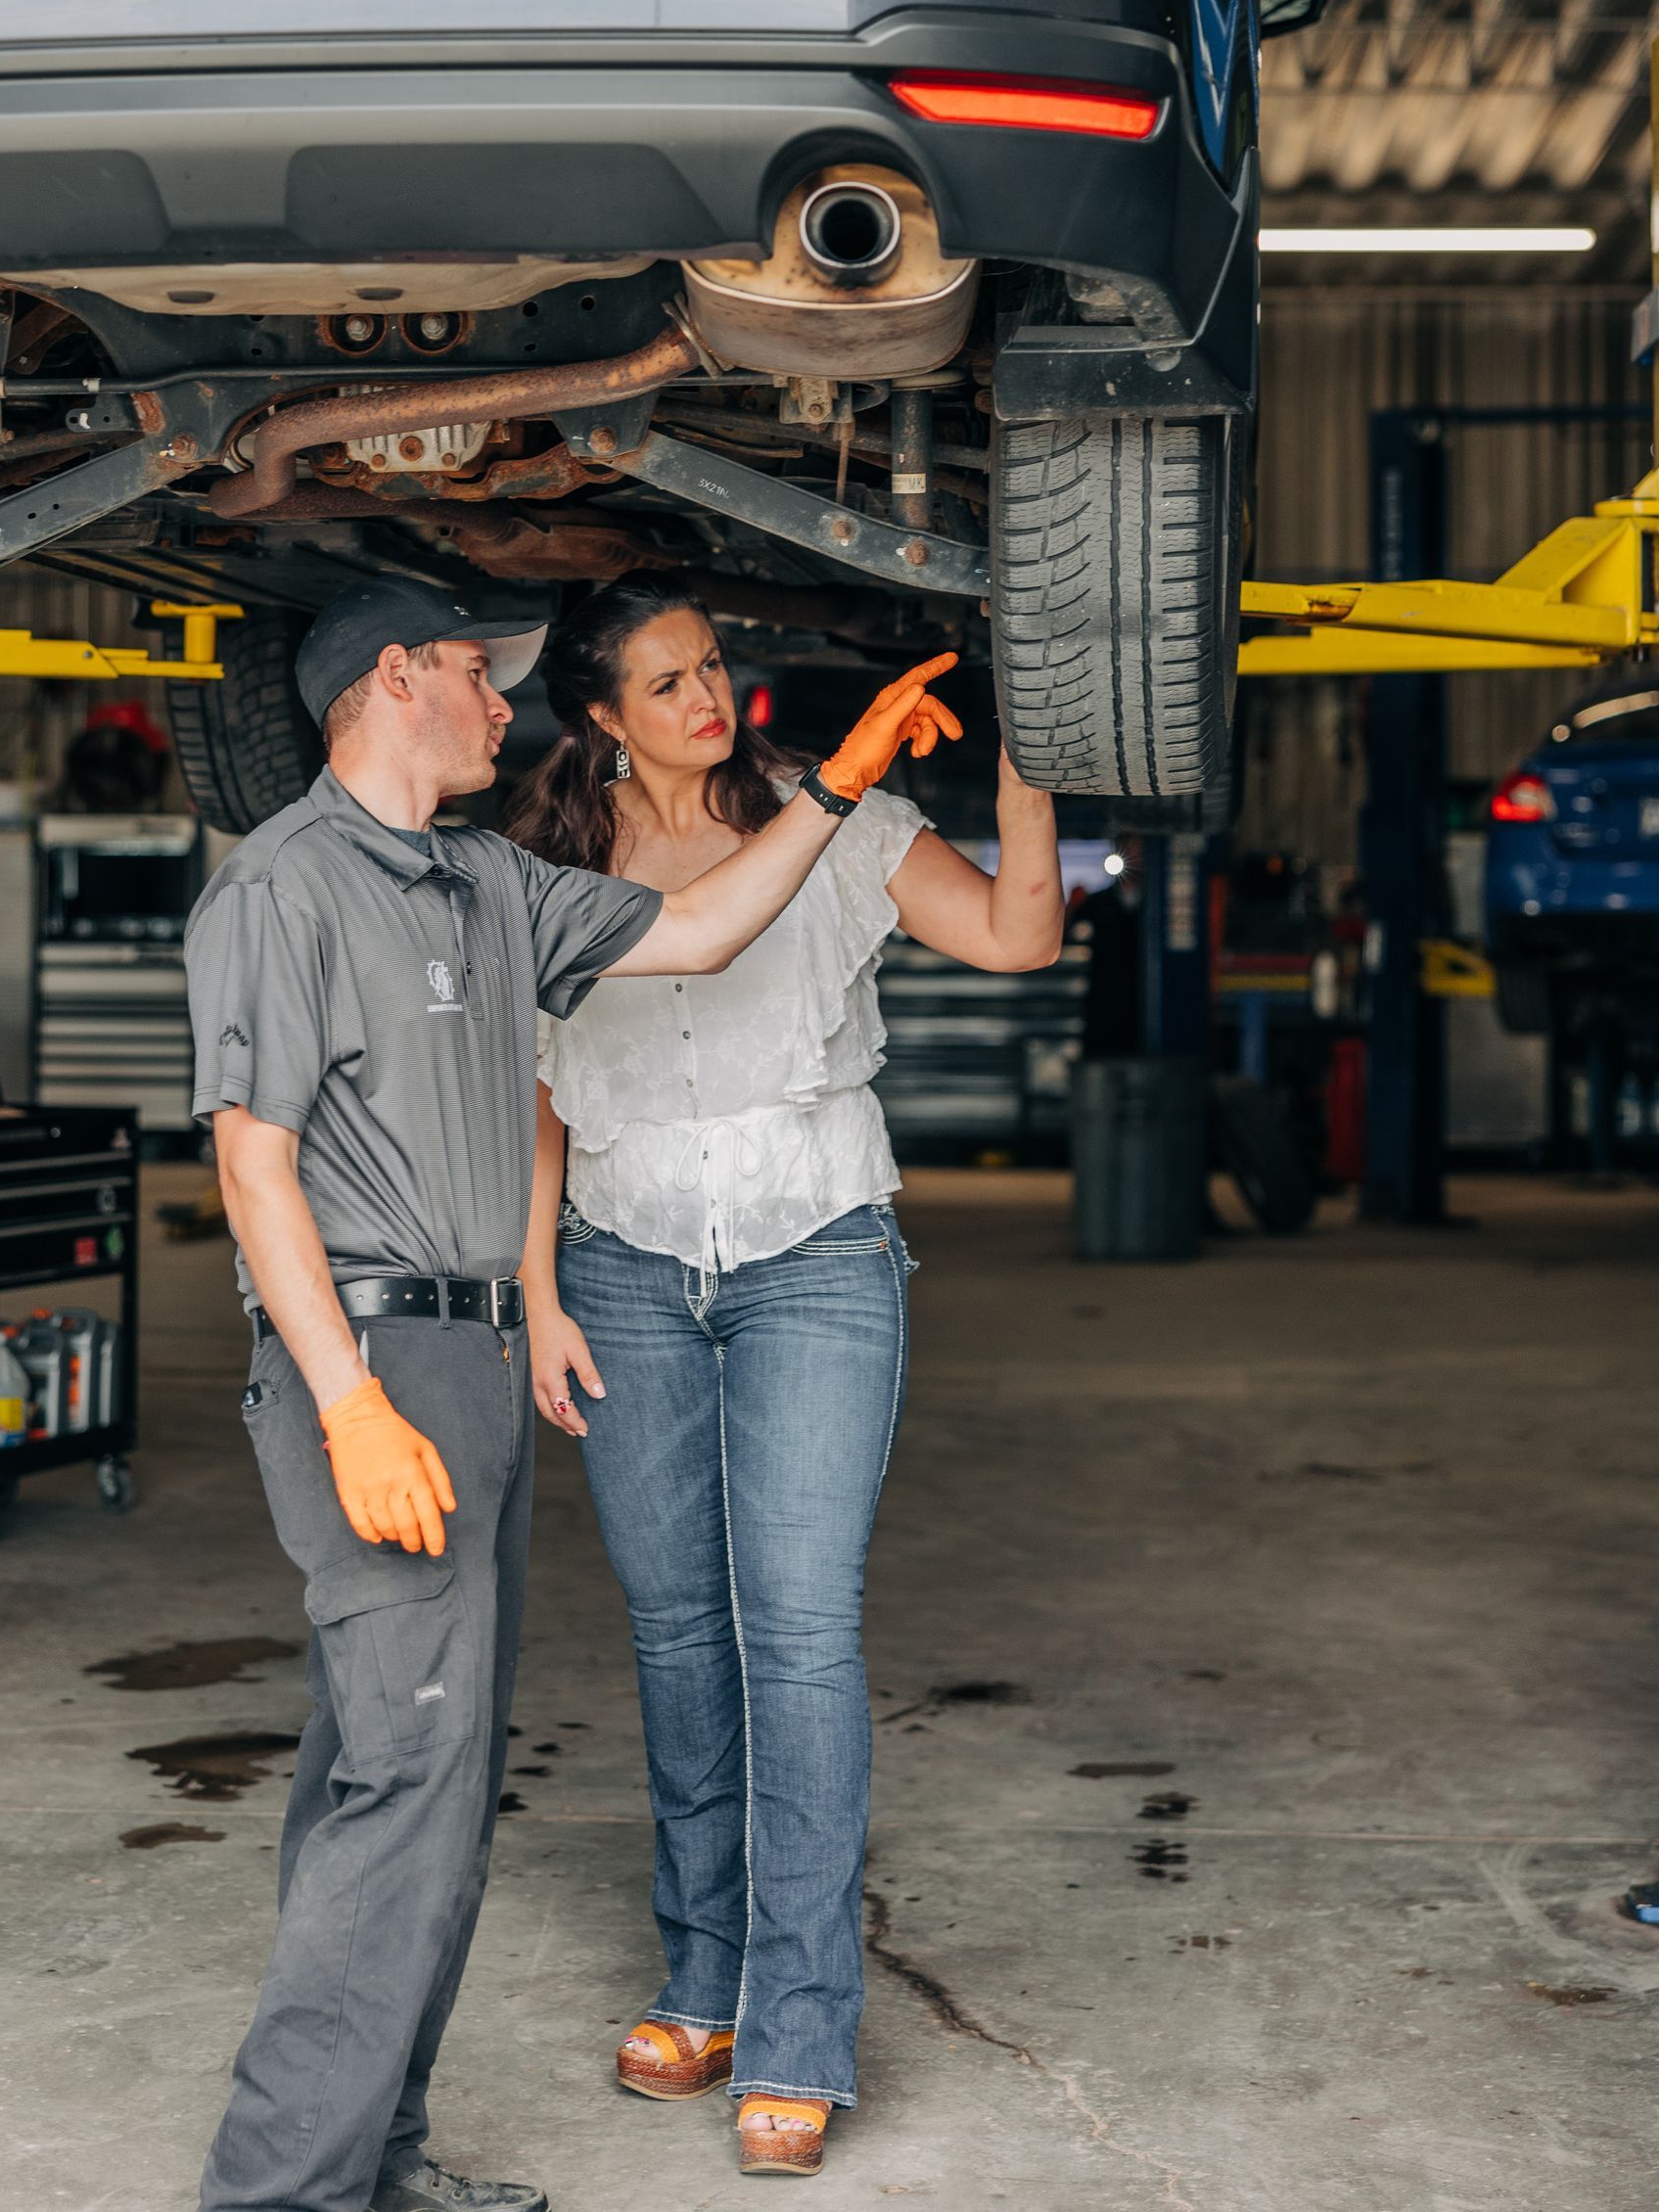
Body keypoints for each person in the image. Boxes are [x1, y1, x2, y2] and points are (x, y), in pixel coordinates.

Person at [184, 575, 958, 2212]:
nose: (500, 704)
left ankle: (377, 2159)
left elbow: (698, 930)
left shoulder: (488, 879)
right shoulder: (284, 886)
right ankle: (285, 2192)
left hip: (467, 1358)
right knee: (404, 1780)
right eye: (474, 673)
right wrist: (347, 1403)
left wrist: (841, 782)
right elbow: (252, 1170)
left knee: (430, 1782)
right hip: (377, 1364)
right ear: (394, 680)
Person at [506, 576, 1067, 2179]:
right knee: (679, 1633)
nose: (709, 694)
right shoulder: (552, 869)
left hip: (815, 1254)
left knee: (798, 1633)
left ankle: (804, 2025)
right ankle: (704, 1978)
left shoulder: (853, 822)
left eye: (717, 664)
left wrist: (1035, 759)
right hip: (619, 1263)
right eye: (669, 678)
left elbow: (1024, 937)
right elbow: (541, 1100)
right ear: (601, 715)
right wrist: (539, 1292)